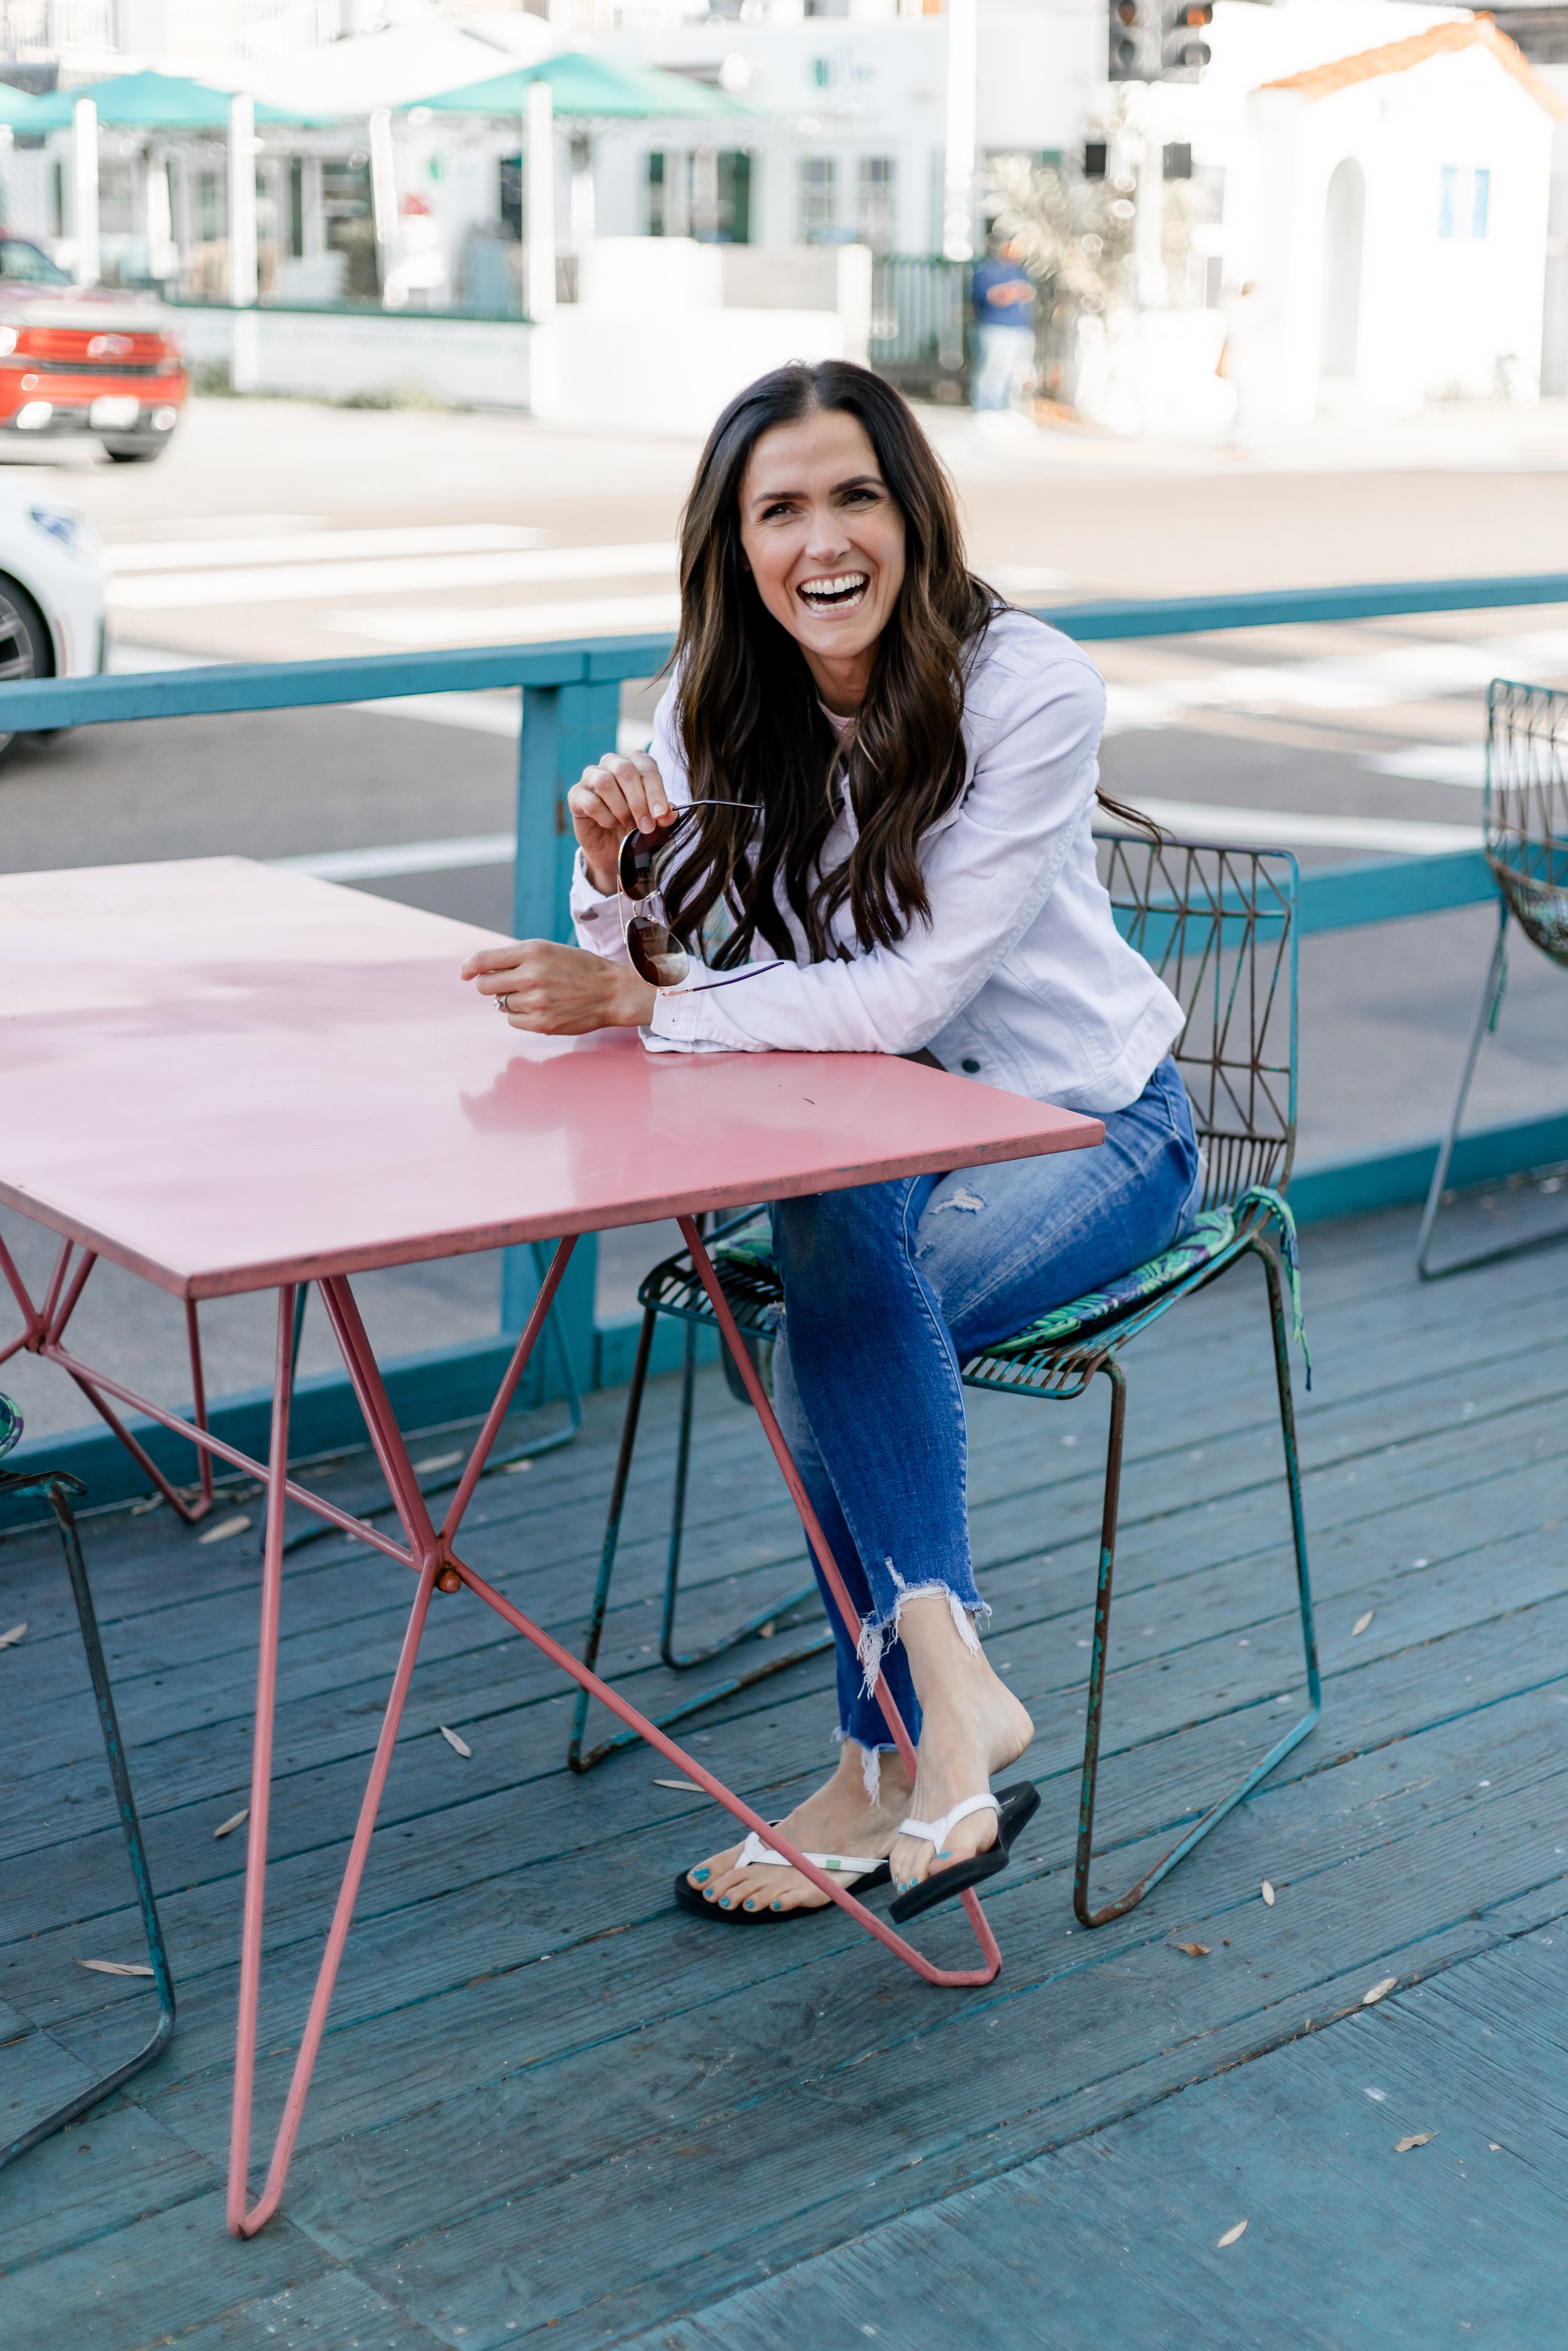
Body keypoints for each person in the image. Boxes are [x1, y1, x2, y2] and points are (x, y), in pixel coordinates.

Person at [462, 361, 1199, 1921]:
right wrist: (615, 877)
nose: (821, 539)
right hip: (882, 1130)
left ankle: (882, 1758)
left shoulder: (1030, 686)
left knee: (816, 1343)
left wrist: (632, 1004)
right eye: (777, 508)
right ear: (735, 544)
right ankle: (942, 1709)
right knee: (827, 1232)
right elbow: (688, 962)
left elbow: (912, 986)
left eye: (853, 494)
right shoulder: (708, 700)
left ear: (911, 513)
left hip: (1083, 1123)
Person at [970, 235, 1037, 411]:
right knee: (994, 370)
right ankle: (986, 407)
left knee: (1014, 373)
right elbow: (991, 296)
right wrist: (1012, 291)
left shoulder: (1020, 271)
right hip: (996, 327)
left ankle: (1007, 409)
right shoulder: (988, 269)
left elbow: (1028, 294)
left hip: (1019, 329)